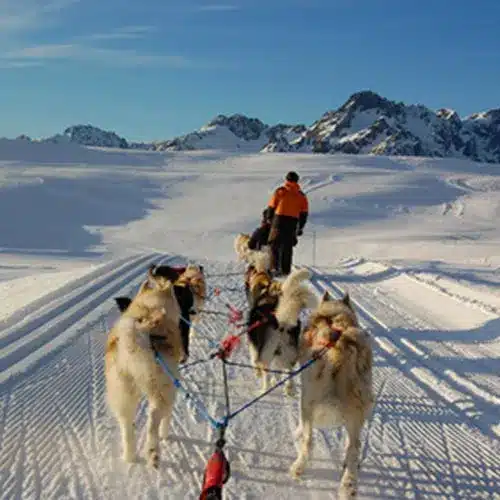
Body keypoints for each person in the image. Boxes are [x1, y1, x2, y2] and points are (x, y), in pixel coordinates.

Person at [265, 171, 309, 276]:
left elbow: (271, 206)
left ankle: (274, 268)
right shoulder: (301, 196)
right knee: (287, 246)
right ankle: (285, 270)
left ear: (286, 180)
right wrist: (300, 227)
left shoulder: (280, 191)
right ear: (297, 181)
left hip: (279, 220)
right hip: (292, 222)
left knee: (274, 244)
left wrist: (269, 219)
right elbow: (304, 213)